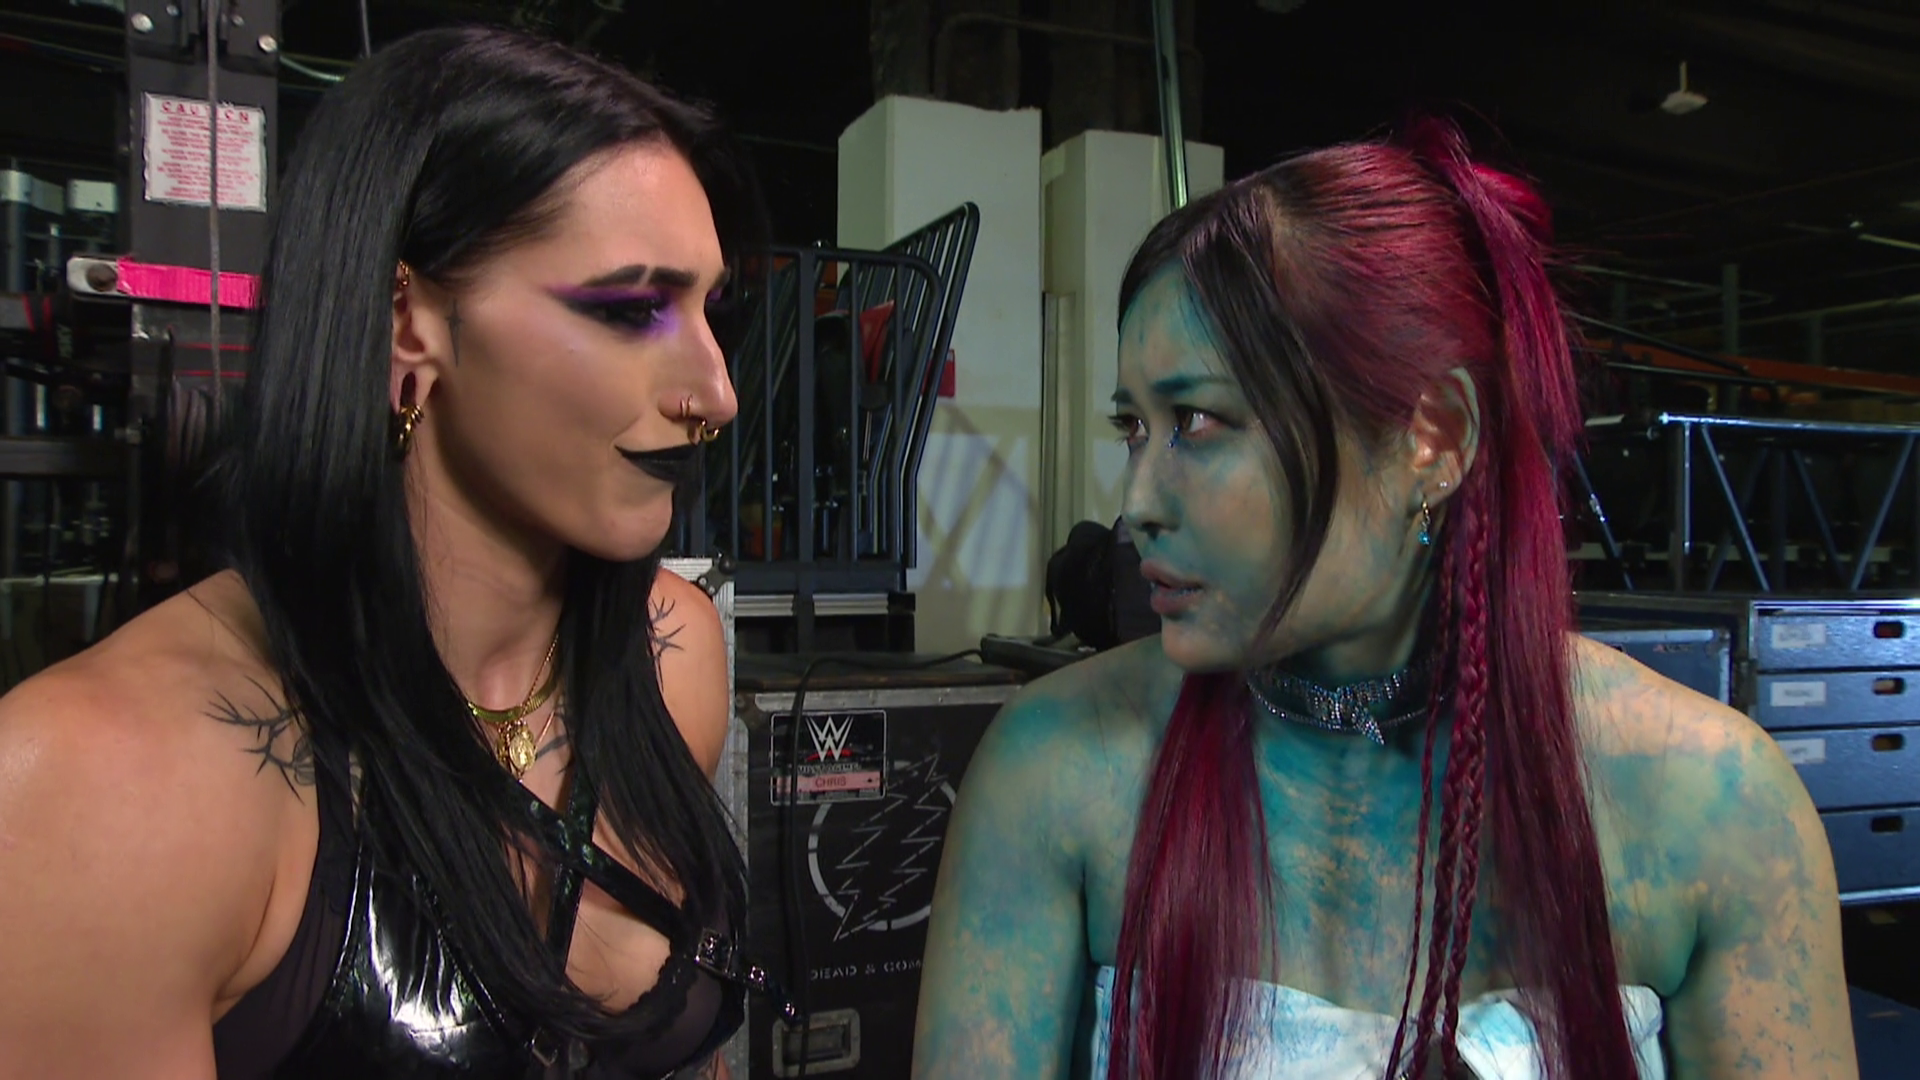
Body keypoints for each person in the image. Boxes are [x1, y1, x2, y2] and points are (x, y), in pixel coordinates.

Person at [912, 120, 1858, 1080]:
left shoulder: (1712, 806)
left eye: (1197, 421)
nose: (1139, 503)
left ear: (1433, 437)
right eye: (1134, 428)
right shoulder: (1057, 772)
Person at [0, 26, 773, 1079]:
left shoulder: (670, 651)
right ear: (409, 320)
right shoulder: (105, 783)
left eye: (708, 310)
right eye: (633, 308)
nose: (716, 394)